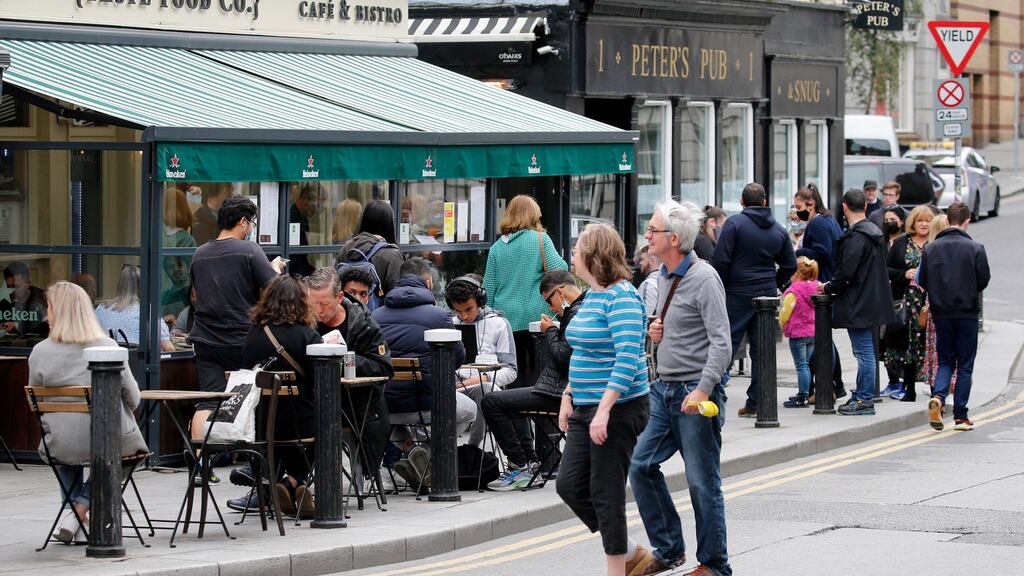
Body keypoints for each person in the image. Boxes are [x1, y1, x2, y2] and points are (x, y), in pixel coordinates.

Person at [628, 201, 732, 576]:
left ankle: (715, 565)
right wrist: (653, 332)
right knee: (640, 465)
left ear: (673, 238)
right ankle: (669, 548)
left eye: (653, 230)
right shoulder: (664, 277)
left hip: (694, 393)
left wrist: (704, 390)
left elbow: (722, 342)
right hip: (664, 390)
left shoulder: (704, 278)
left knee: (702, 482)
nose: (647, 236)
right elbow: (673, 327)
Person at [556, 223, 649, 576]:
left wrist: (604, 410)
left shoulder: (623, 297)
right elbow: (583, 352)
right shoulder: (593, 295)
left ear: (593, 257)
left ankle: (618, 569)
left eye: (578, 249)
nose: (573, 256)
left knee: (605, 493)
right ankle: (629, 551)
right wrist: (568, 394)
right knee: (569, 485)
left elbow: (628, 358)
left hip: (618, 409)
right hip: (585, 405)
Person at [30, 281, 147, 544]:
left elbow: (36, 405)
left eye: (48, 307)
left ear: (56, 311)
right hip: (105, 442)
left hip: (58, 444)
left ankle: (74, 519)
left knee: (65, 443)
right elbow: (134, 398)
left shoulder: (39, 352)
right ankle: (80, 509)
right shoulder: (107, 346)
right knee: (130, 455)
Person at [188, 196, 287, 451]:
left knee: (208, 400)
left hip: (206, 339)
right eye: (252, 222)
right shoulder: (250, 250)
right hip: (243, 338)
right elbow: (273, 291)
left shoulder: (199, 254)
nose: (252, 228)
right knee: (255, 396)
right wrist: (273, 268)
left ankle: (200, 462)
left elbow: (198, 295)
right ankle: (250, 454)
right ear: (243, 222)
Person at [372, 257, 477, 488]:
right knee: (470, 410)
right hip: (426, 405)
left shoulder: (375, 316)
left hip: (385, 408)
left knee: (399, 415)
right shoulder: (438, 316)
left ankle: (410, 450)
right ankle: (429, 457)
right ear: (428, 282)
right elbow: (458, 356)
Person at [482, 269, 584, 491]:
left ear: (560, 293)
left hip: (560, 392)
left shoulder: (576, 313)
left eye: (549, 300)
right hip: (563, 389)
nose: (550, 307)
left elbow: (562, 357)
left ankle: (522, 465)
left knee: (491, 401)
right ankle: (528, 463)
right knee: (509, 401)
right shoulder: (583, 309)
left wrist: (550, 332)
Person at [711, 182, 796, 418]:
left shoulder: (735, 224)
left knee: (725, 346)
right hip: (766, 295)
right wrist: (774, 283)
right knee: (762, 350)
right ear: (764, 202)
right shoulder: (778, 229)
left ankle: (712, 397)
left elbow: (721, 259)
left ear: (741, 202)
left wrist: (723, 286)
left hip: (737, 293)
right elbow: (790, 264)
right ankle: (757, 402)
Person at [306, 267, 393, 480]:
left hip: (354, 405)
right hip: (311, 400)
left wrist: (344, 358)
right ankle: (270, 479)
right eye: (312, 303)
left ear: (340, 297)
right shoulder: (303, 321)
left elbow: (383, 367)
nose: (318, 310)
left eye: (324, 303)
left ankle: (289, 482)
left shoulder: (362, 323)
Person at [820, 188, 895, 415]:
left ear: (844, 207)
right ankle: (863, 395)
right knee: (866, 352)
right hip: (872, 299)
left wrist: (828, 287)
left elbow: (846, 272)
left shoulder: (857, 236)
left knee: (864, 353)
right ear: (864, 206)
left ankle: (864, 400)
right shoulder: (875, 233)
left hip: (859, 302)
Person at [483, 195, 568, 388]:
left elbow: (488, 288)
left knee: (514, 370)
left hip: (506, 319)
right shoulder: (540, 239)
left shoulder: (496, 248)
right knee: (539, 369)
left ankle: (516, 412)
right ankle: (535, 411)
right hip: (536, 317)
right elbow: (561, 270)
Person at [920, 202, 990, 432]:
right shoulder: (976, 248)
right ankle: (960, 415)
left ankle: (939, 398)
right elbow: (983, 280)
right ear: (967, 221)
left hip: (941, 314)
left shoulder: (931, 249)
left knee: (946, 360)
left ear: (948, 220)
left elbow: (923, 281)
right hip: (967, 313)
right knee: (965, 365)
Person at [446, 274, 518, 448]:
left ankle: (472, 448)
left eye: (468, 309)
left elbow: (511, 370)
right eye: (458, 311)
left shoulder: (499, 324)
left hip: (484, 388)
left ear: (480, 301)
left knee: (485, 391)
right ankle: (441, 451)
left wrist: (481, 378)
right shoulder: (449, 324)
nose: (463, 316)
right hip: (454, 389)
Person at [883, 205, 935, 402]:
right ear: (913, 222)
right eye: (920, 220)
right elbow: (887, 269)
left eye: (928, 220)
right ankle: (909, 388)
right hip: (907, 301)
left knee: (929, 342)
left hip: (930, 301)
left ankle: (934, 388)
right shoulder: (902, 242)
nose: (924, 224)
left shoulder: (936, 242)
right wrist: (904, 274)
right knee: (909, 343)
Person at [95, 264, 174, 352]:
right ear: (143, 287)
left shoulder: (102, 309)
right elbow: (168, 348)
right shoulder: (148, 311)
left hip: (106, 362)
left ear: (120, 285)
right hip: (137, 364)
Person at [338, 199, 406, 296]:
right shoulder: (392, 255)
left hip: (349, 309)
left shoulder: (347, 248)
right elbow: (398, 295)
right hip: (378, 310)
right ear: (389, 223)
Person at [781, 257, 820, 408]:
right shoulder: (817, 287)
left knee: (801, 365)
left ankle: (803, 395)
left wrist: (782, 324)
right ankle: (805, 392)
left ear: (797, 273)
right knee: (806, 364)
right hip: (812, 332)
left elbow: (785, 312)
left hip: (798, 333)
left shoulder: (794, 292)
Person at [162, 188, 197, 317]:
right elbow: (189, 278)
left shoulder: (155, 234)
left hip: (154, 299)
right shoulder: (187, 240)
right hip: (178, 304)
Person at [1, 261, 48, 336]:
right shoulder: (4, 300)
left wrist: (17, 326)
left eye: (16, 286)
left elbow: (48, 326)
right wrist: (4, 325)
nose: (11, 291)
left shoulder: (41, 299)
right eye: (9, 287)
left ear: (28, 283)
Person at [636, 246, 661, 317]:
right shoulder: (665, 281)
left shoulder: (649, 284)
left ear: (652, 260)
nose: (640, 263)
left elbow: (645, 317)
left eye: (642, 259)